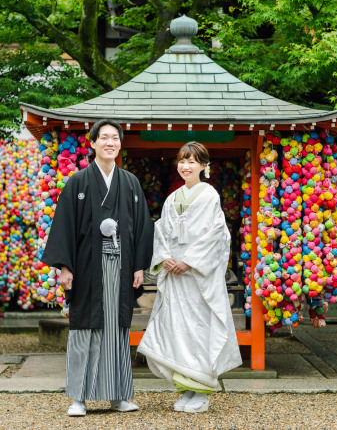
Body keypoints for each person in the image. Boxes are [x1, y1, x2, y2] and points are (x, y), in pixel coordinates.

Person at [41, 119, 153, 417]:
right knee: (85, 328)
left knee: (117, 329)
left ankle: (119, 396)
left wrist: (140, 266)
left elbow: (142, 227)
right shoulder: (78, 181)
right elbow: (64, 224)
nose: (110, 143)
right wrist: (65, 267)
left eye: (115, 138)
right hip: (88, 265)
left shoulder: (130, 182)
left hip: (121, 263)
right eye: (104, 138)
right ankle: (79, 397)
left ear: (119, 144)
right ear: (92, 144)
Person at [138, 142, 242, 413]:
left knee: (198, 330)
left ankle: (201, 391)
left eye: (193, 161)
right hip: (175, 274)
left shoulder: (209, 195)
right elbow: (160, 231)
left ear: (204, 166)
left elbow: (214, 235)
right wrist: (165, 257)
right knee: (177, 329)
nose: (186, 166)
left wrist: (189, 261)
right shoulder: (173, 198)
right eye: (182, 161)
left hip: (197, 277)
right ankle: (186, 389)